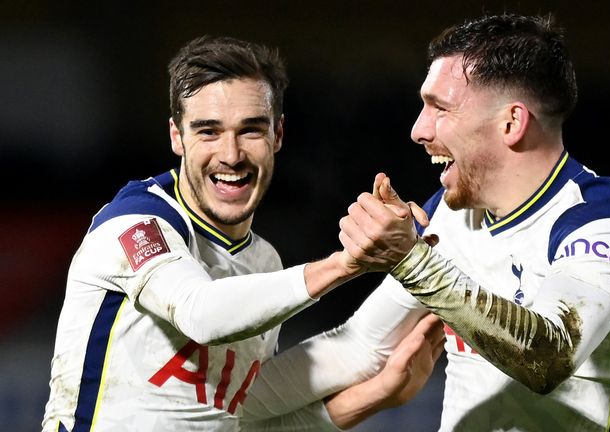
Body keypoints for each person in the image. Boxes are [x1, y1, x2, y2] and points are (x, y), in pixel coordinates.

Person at [245, 13, 610, 432]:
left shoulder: (604, 219)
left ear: (511, 122)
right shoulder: (452, 217)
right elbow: (360, 348)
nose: (418, 130)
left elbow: (549, 357)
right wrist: (209, 404)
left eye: (439, 108)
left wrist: (412, 263)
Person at [41, 35, 444, 432]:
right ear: (176, 137)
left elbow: (243, 420)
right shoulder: (135, 223)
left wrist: (415, 249)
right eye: (208, 131)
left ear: (278, 135)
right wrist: (346, 263)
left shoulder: (262, 261)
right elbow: (200, 312)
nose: (231, 155)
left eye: (250, 130)